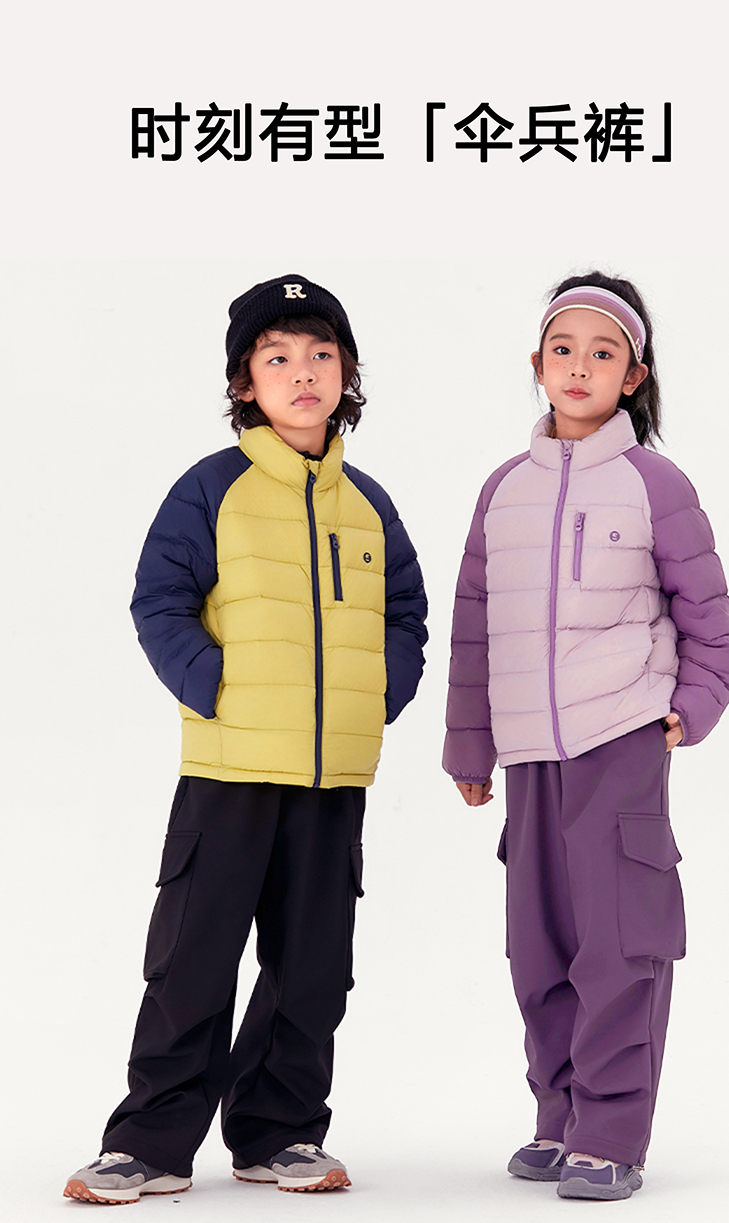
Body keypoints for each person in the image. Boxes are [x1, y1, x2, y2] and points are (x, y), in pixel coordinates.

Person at [64, 273, 428, 1204]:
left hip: (332, 776)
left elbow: (405, 614)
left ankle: (280, 1132)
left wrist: (375, 696)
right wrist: (216, 687)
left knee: (314, 966)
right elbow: (160, 601)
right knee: (192, 958)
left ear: (346, 375)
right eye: (278, 358)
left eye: (321, 355)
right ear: (245, 383)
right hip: (229, 767)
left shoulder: (368, 504)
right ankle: (150, 1142)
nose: (302, 373)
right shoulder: (211, 489)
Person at [443, 272, 729, 1202]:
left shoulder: (655, 484)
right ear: (537, 364)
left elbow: (709, 614)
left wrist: (695, 702)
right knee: (539, 945)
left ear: (633, 376)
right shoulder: (503, 490)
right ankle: (560, 1115)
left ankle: (610, 1131)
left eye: (603, 353)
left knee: (619, 940)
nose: (580, 366)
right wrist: (470, 746)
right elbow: (475, 624)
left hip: (621, 740)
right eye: (563, 350)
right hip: (531, 754)